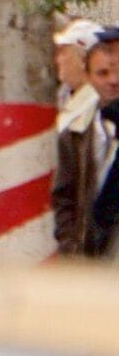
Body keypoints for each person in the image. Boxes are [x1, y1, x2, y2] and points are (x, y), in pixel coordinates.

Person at [58, 35, 119, 258]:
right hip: (94, 253)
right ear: (88, 77)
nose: (114, 80)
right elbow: (63, 196)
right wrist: (72, 250)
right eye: (103, 73)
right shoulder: (75, 131)